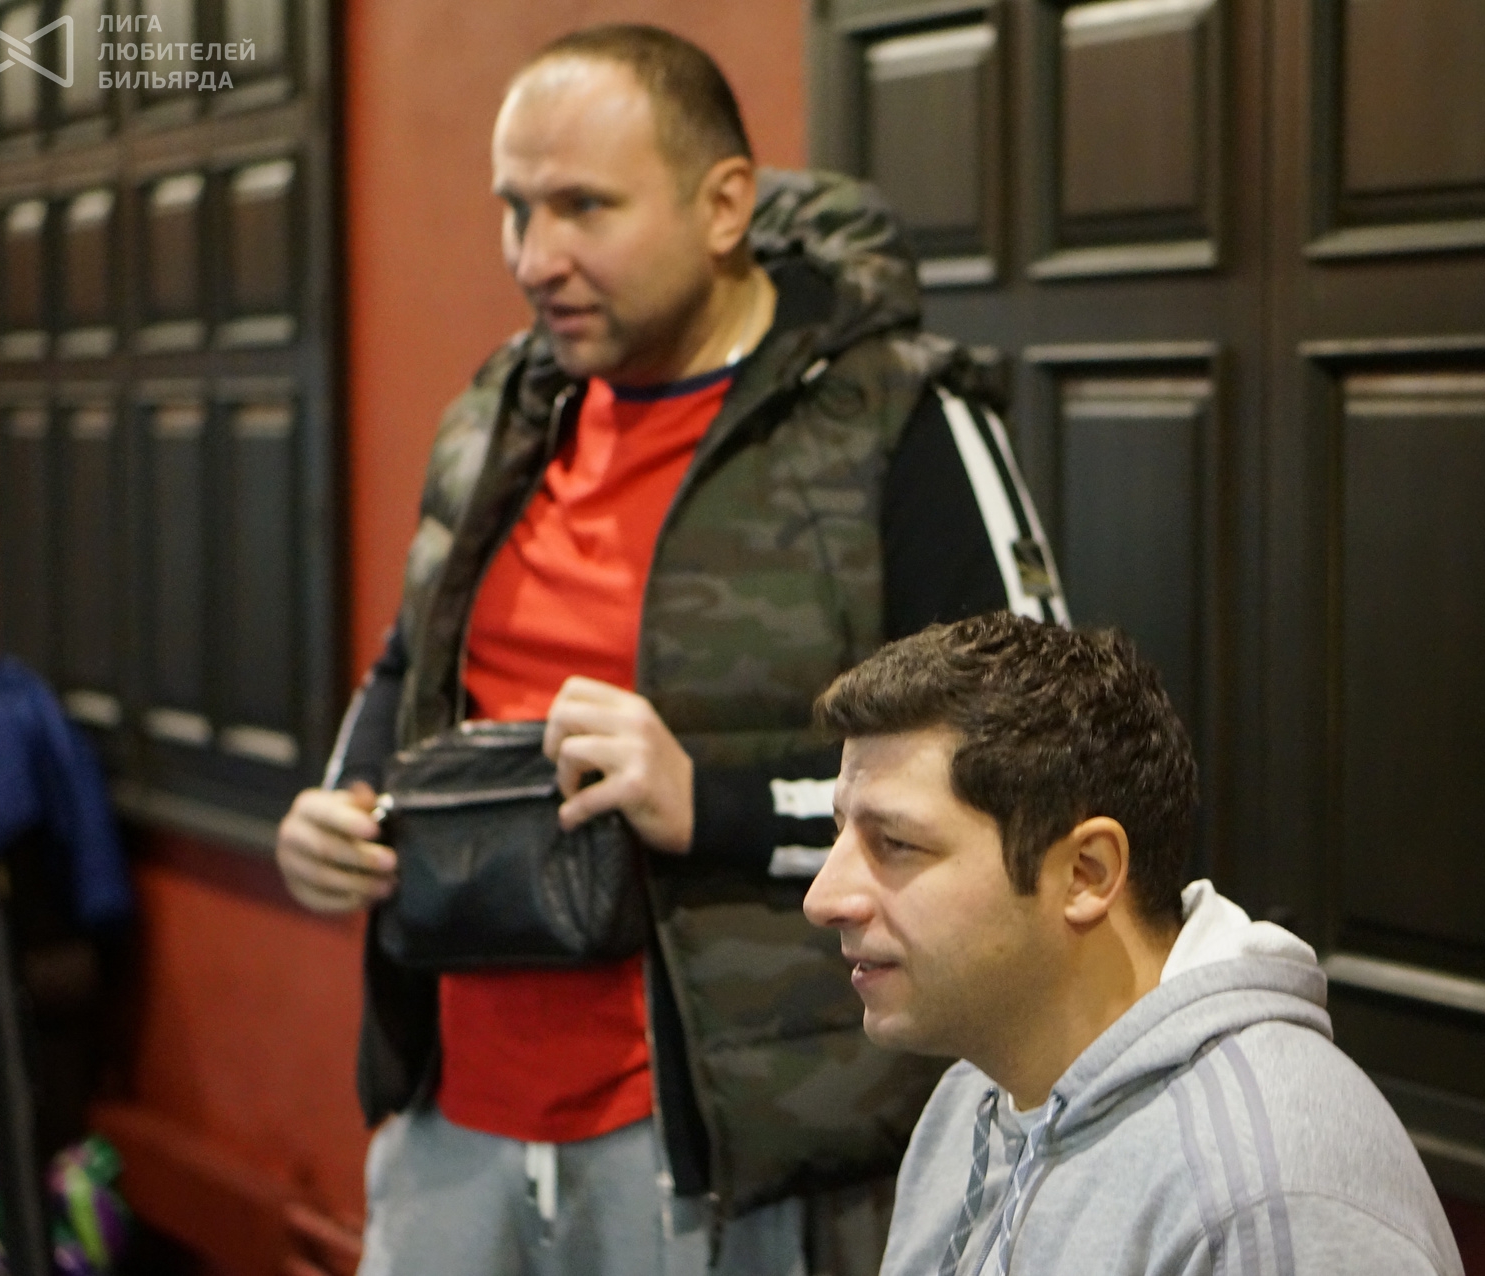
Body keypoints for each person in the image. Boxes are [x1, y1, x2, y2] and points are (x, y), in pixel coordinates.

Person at [271, 25, 1066, 1276]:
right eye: (516, 209)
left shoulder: (895, 416)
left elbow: (1035, 752)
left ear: (724, 205)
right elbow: (411, 661)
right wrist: (339, 803)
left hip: (716, 1147)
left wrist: (715, 803)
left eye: (584, 207)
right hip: (447, 1126)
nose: (535, 256)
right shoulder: (501, 408)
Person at [803, 613, 1466, 1276]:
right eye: (839, 835)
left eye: (896, 844)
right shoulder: (970, 1098)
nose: (824, 899)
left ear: (1085, 874)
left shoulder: (1269, 1193)